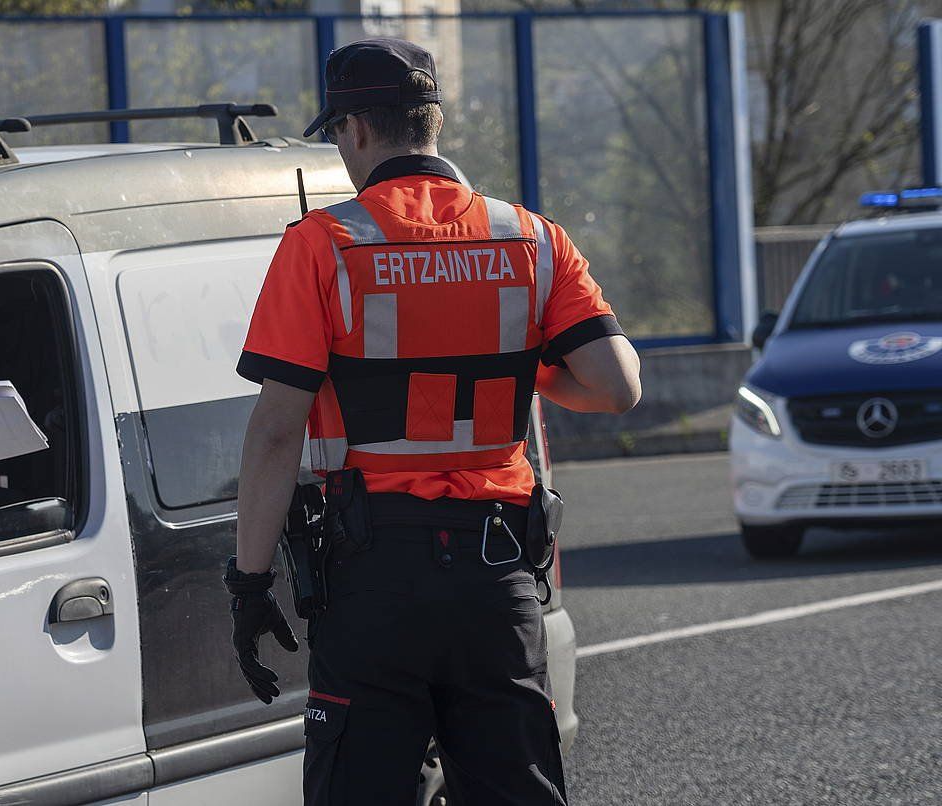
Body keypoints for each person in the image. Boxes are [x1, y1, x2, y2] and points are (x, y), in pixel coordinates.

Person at [223, 38, 641, 805]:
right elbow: (616, 387)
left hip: (374, 577)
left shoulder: (324, 245)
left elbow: (277, 431)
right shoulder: (533, 238)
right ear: (434, 121)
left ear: (353, 130)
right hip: (497, 572)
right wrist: (513, 362)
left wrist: (248, 583)